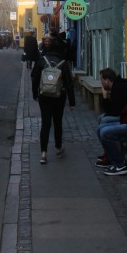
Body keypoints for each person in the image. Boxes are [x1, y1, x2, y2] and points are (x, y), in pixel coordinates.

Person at [31, 34, 75, 163]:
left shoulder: (42, 59)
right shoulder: (63, 63)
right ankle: (58, 148)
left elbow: (34, 77)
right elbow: (68, 83)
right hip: (59, 96)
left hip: (44, 95)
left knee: (45, 123)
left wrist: (35, 94)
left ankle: (43, 154)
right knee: (57, 122)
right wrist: (72, 102)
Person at [94, 67, 127, 167]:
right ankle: (108, 153)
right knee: (101, 118)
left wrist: (105, 97)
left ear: (107, 81)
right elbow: (113, 110)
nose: (101, 83)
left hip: (126, 117)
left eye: (102, 81)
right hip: (123, 114)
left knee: (104, 120)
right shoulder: (116, 86)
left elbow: (114, 111)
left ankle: (110, 155)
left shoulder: (118, 88)